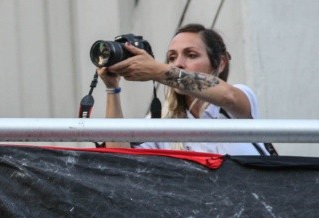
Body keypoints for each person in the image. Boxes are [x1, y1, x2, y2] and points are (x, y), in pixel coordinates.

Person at [97, 23, 273, 155]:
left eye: (191, 55)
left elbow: (229, 97)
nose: (178, 64)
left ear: (220, 63)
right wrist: (112, 89)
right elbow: (121, 159)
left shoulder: (237, 98)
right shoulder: (162, 120)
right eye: (172, 58)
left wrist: (159, 71)